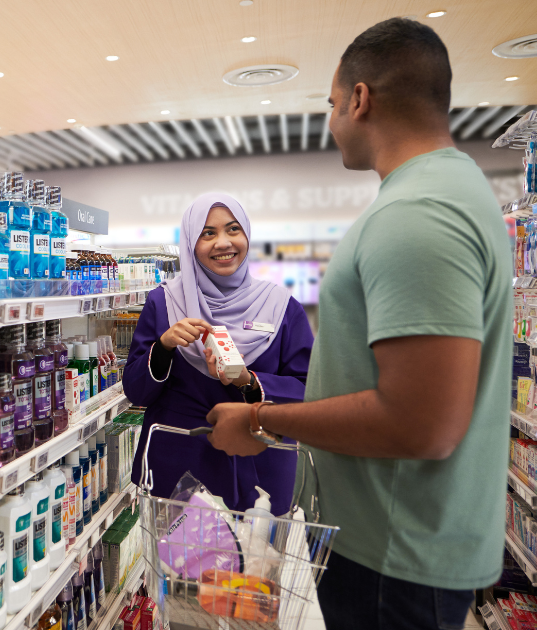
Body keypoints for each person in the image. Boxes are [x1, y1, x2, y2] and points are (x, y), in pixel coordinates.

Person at [202, 17, 511, 630]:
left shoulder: (419, 213)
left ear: (359, 98)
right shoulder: (442, 192)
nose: (330, 120)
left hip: (394, 561)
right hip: (394, 545)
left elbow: (421, 423)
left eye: (331, 104)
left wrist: (260, 420)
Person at [123, 192, 312, 515]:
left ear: (247, 235)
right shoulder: (164, 303)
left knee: (256, 562)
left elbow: (307, 390)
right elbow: (136, 391)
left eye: (233, 229)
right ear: (191, 244)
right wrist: (165, 347)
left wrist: (250, 381)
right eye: (207, 233)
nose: (223, 242)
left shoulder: (281, 307)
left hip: (259, 467)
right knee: (179, 562)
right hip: (179, 467)